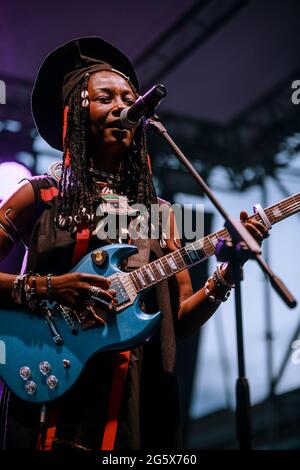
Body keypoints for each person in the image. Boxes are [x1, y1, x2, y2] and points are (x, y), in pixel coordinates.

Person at [0, 37, 269, 451]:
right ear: (75, 112)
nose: (122, 105)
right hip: (50, 385)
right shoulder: (40, 196)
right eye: (105, 97)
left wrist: (228, 273)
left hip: (132, 403)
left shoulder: (158, 213)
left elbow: (178, 319)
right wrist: (49, 287)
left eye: (129, 97)